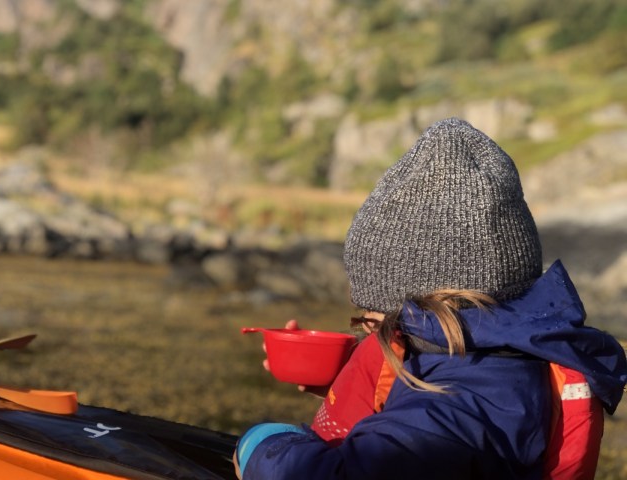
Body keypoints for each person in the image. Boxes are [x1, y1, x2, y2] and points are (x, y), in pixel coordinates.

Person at [232, 117, 627, 479]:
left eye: (371, 318)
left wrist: (264, 445)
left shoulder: (455, 410)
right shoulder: (497, 365)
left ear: (424, 308)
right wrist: (356, 382)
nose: (367, 329)